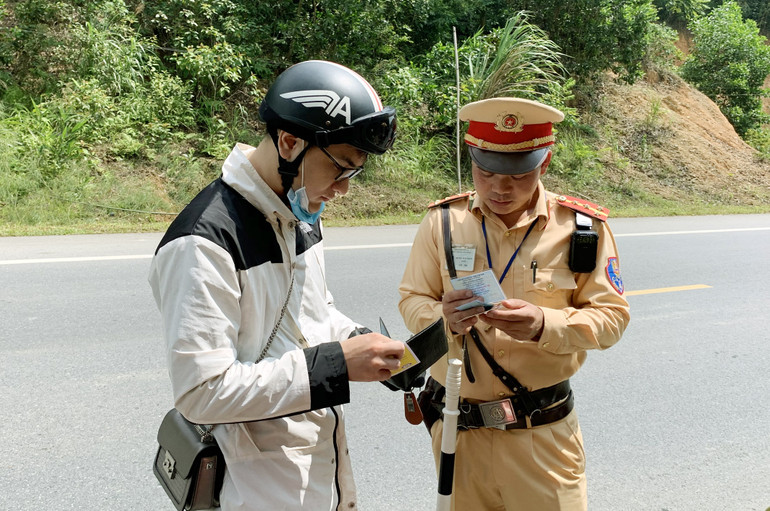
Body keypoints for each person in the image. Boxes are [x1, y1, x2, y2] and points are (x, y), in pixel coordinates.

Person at [149, 60, 404, 511]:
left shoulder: (296, 211)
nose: (343, 190)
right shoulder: (203, 242)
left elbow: (313, 311)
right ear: (290, 142)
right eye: (340, 168)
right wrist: (337, 366)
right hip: (250, 485)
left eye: (355, 173)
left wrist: (359, 341)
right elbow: (200, 392)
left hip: (316, 469)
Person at [398, 97, 630, 510]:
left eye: (517, 175)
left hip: (542, 436)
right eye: (485, 172)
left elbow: (611, 317)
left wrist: (546, 323)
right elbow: (413, 296)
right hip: (459, 431)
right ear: (471, 160)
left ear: (544, 163)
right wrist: (444, 318)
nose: (499, 188)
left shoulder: (582, 229)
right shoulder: (444, 222)